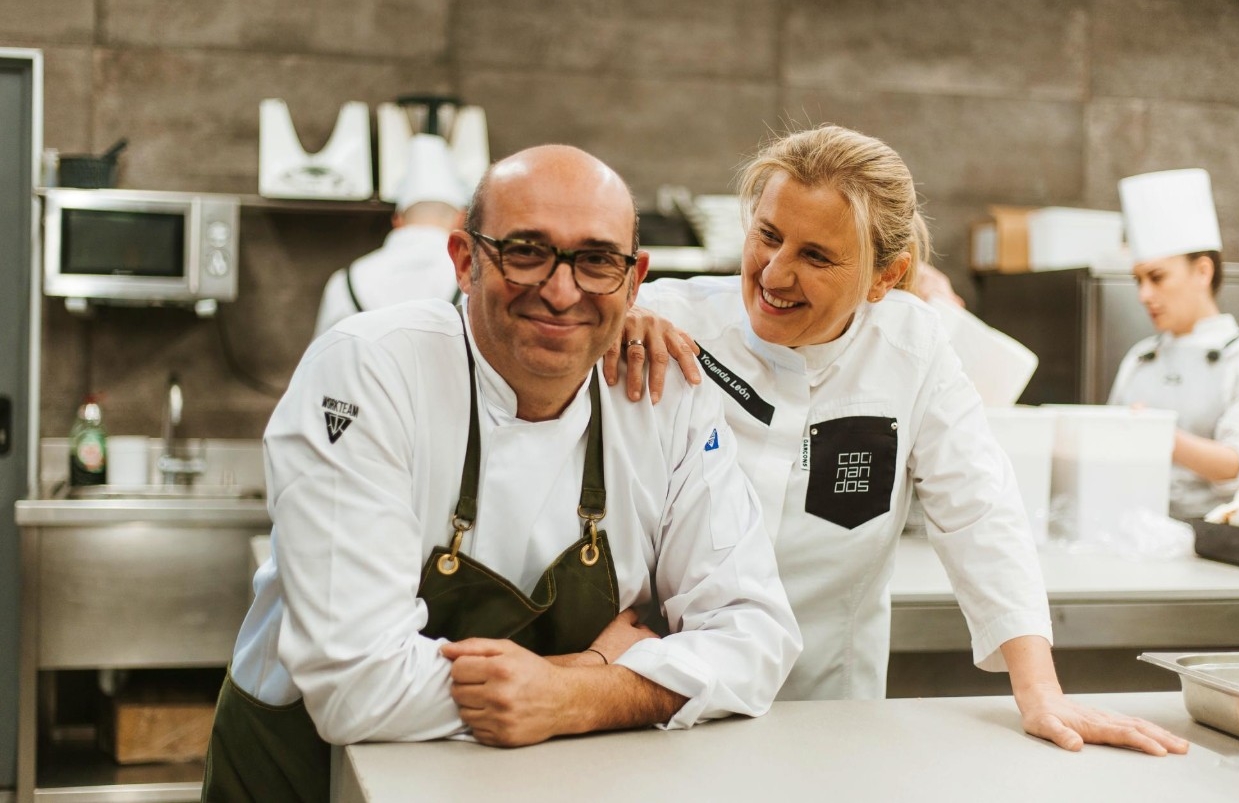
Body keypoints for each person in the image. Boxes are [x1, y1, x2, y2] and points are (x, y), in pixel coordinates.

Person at [204, 145, 801, 802]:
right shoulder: (369, 372)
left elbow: (757, 636)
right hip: (307, 779)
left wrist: (571, 696)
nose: (561, 289)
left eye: (597, 260)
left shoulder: (665, 396)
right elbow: (356, 688)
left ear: (634, 281)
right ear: (465, 260)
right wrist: (591, 673)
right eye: (526, 251)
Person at [611, 125, 1188, 756]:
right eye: (768, 235)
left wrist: (1040, 691)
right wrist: (606, 319)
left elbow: (979, 510)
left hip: (828, 707)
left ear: (886, 277)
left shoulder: (913, 349)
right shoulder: (667, 321)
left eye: (816, 256)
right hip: (658, 693)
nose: (774, 273)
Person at [1109, 168, 1239, 520]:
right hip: (1133, 535)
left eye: (1157, 277)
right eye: (1138, 280)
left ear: (1202, 271)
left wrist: (1161, 436)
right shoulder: (1140, 359)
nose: (1144, 295)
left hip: (1217, 547)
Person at [312, 133, 469, 338]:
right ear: (461, 219)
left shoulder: (345, 281)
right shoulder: (474, 279)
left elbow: (320, 362)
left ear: (397, 220)